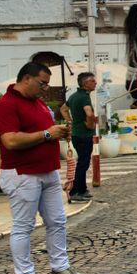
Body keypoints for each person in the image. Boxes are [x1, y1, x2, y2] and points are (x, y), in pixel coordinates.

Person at [0, 62, 84, 274]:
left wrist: (57, 132)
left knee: (57, 221)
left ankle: (60, 268)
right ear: (26, 79)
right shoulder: (5, 105)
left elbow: (44, 132)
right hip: (22, 173)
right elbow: (10, 141)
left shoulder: (38, 103)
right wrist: (46, 134)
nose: (45, 89)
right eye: (42, 83)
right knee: (23, 226)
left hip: (47, 171)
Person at [62, 72, 97, 203]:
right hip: (84, 135)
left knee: (83, 162)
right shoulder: (84, 97)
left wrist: (70, 121)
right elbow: (88, 112)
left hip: (77, 134)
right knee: (83, 163)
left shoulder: (73, 96)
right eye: (92, 81)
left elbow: (63, 109)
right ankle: (75, 191)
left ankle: (82, 189)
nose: (95, 83)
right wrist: (89, 124)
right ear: (85, 83)